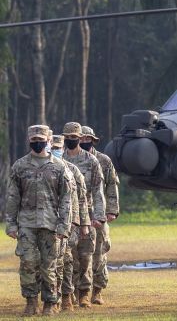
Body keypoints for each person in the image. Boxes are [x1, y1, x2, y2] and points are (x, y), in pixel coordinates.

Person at [5, 125, 73, 316]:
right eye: (34, 140)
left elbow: (66, 199)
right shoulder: (20, 166)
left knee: (49, 265)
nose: (37, 143)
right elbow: (13, 197)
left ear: (48, 141)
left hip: (50, 224)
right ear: (29, 141)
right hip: (26, 224)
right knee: (27, 263)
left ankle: (50, 303)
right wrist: (10, 224)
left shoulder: (59, 167)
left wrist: (63, 225)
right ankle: (31, 301)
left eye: (41, 140)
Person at [62, 122, 106, 308]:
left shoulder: (91, 161)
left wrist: (99, 216)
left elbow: (98, 191)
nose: (71, 140)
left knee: (86, 255)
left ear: (80, 138)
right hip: (66, 215)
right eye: (68, 137)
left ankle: (85, 293)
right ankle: (68, 292)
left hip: (87, 213)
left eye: (75, 137)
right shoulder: (58, 159)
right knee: (68, 256)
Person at [81, 126, 120, 305]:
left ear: (93, 140)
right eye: (80, 139)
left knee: (100, 253)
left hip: (99, 213)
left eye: (87, 139)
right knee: (79, 255)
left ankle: (97, 290)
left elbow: (112, 186)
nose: (83, 142)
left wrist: (111, 210)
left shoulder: (103, 161)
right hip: (78, 214)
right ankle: (80, 291)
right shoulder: (67, 159)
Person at [51, 134, 90, 312]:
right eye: (53, 148)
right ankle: (51, 297)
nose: (56, 151)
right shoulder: (43, 169)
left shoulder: (73, 171)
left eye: (58, 149)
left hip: (69, 223)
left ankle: (67, 296)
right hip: (47, 222)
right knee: (48, 262)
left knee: (66, 260)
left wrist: (84, 224)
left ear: (63, 149)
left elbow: (81, 200)